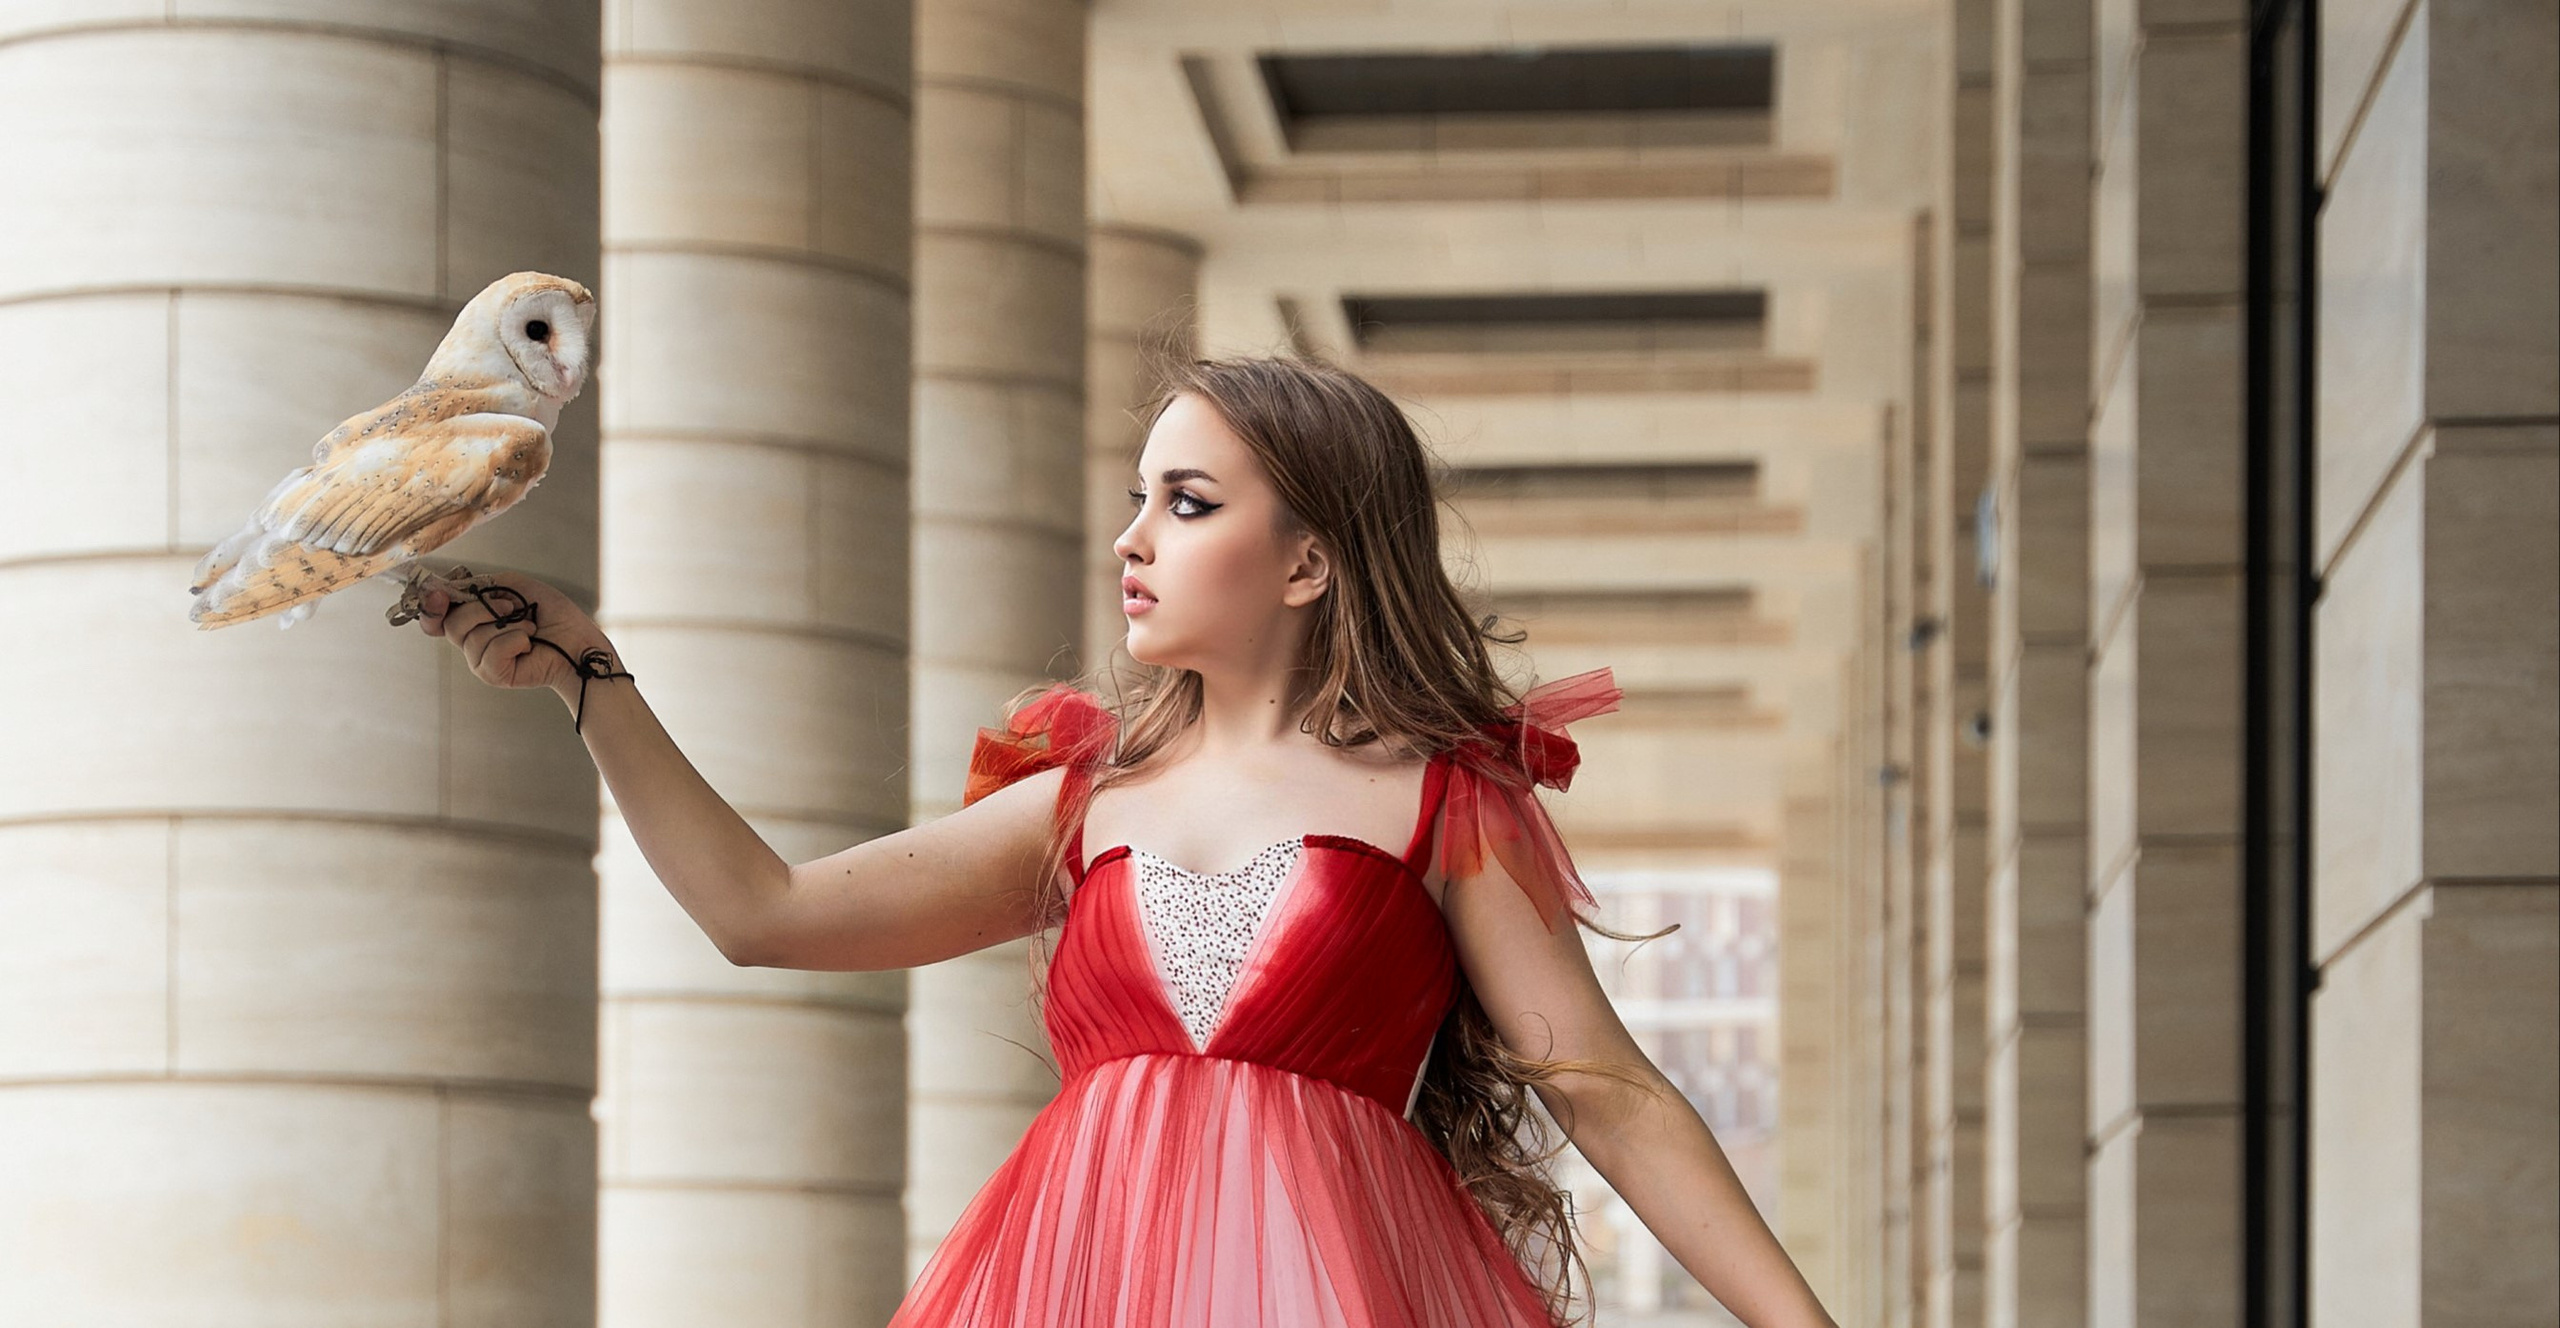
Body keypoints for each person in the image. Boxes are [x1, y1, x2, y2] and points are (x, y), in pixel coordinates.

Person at [416, 353, 1837, 1328]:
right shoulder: (1085, 796)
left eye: (1188, 501)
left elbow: (1611, 1093)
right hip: (1071, 1281)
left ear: (1309, 561)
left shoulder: (1445, 798)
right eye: (1138, 496)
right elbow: (765, 911)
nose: (1132, 538)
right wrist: (591, 680)